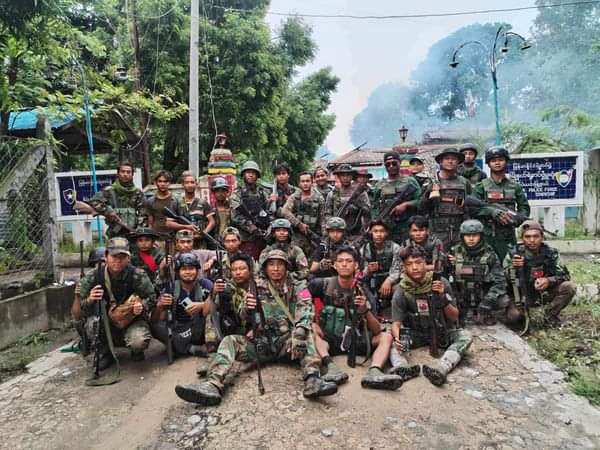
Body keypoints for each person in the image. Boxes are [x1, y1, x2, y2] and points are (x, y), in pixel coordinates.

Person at [174, 249, 338, 405]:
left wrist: (300, 330)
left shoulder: (298, 285)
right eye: (271, 264)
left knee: (307, 333)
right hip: (262, 342)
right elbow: (242, 316)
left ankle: (312, 379)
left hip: (289, 343)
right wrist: (246, 307)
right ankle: (212, 384)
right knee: (230, 341)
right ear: (265, 268)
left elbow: (306, 308)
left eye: (279, 264)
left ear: (286, 267)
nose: (275, 269)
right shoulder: (255, 286)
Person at [308, 246, 403, 390]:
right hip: (329, 339)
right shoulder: (321, 284)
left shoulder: (363, 291)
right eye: (340, 261)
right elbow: (302, 297)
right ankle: (330, 367)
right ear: (334, 265)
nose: (344, 264)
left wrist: (365, 310)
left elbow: (376, 329)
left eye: (348, 261)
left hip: (356, 340)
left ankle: (374, 371)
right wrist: (312, 317)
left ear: (356, 265)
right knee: (311, 329)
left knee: (386, 337)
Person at [389, 245, 472, 385]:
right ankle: (401, 367)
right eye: (409, 264)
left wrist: (442, 298)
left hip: (442, 332)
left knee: (465, 337)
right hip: (417, 333)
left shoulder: (441, 282)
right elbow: (396, 323)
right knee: (389, 342)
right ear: (403, 267)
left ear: (426, 264)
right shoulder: (401, 289)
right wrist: (397, 338)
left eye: (418, 263)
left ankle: (442, 368)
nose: (414, 267)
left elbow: (454, 316)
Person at [79, 237, 156, 368]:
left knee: (138, 341)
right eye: (114, 256)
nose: (118, 261)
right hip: (105, 320)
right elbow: (79, 305)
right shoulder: (95, 275)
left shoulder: (136, 275)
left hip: (132, 320)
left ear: (128, 258)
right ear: (106, 256)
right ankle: (105, 352)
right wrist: (90, 299)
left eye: (122, 257)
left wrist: (142, 306)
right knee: (92, 325)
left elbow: (152, 297)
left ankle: (135, 350)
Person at [504, 220, 575, 326]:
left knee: (569, 287)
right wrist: (513, 268)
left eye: (536, 236)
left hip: (543, 293)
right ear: (522, 239)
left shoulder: (551, 253)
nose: (532, 240)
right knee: (514, 318)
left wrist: (549, 280)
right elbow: (501, 279)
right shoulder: (514, 255)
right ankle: (523, 315)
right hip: (520, 296)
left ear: (542, 237)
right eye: (527, 237)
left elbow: (565, 275)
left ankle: (549, 316)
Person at [472, 146, 531, 261]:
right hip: (487, 235)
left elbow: (524, 207)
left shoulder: (515, 186)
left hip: (508, 235)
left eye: (501, 160)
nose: (497, 163)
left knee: (510, 267)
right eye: (493, 161)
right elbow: (473, 209)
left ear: (506, 162)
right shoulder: (481, 186)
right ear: (488, 164)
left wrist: (517, 219)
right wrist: (492, 212)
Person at [150, 253, 214, 357]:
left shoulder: (206, 284)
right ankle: (190, 348)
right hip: (178, 328)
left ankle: (178, 346)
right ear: (178, 272)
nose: (188, 272)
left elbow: (217, 306)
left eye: (191, 268)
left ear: (197, 271)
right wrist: (160, 306)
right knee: (155, 326)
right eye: (184, 269)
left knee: (213, 315)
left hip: (198, 328)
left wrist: (202, 305)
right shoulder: (171, 287)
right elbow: (157, 319)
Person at [448, 220, 508, 326]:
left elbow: (500, 282)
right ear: (462, 236)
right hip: (460, 296)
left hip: (482, 295)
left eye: (475, 235)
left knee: (503, 300)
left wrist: (487, 302)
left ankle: (483, 311)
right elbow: (445, 279)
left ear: (481, 236)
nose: (471, 239)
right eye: (467, 235)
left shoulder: (490, 254)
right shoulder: (454, 252)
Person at [420, 148, 471, 249]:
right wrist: (429, 192)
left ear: (458, 162)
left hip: (459, 229)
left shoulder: (464, 182)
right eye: (447, 158)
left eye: (454, 159)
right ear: (441, 162)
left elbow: (469, 205)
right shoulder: (430, 181)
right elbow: (421, 207)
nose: (450, 161)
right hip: (437, 230)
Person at [371, 152, 421, 244]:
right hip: (387, 228)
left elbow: (421, 201)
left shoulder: (410, 181)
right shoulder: (379, 185)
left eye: (394, 163)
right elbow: (374, 207)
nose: (391, 166)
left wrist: (406, 204)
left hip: (406, 227)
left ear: (400, 163)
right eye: (388, 164)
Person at [89, 161, 146, 238]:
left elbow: (143, 212)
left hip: (133, 232)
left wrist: (140, 230)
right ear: (118, 173)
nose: (125, 174)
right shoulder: (109, 190)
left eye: (128, 172)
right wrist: (107, 211)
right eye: (123, 171)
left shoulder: (137, 192)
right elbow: (94, 201)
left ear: (132, 174)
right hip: (115, 231)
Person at [230, 160, 273, 259]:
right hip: (245, 237)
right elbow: (235, 216)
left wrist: (267, 227)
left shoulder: (263, 192)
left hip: (263, 236)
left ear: (257, 176)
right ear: (243, 175)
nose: (251, 175)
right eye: (248, 172)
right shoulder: (237, 193)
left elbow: (269, 211)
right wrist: (250, 226)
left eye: (253, 173)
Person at [359, 220, 402, 314]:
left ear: (386, 233)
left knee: (400, 289)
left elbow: (397, 270)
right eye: (375, 231)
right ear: (370, 232)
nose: (379, 234)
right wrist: (368, 270)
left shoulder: (395, 247)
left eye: (382, 231)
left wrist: (388, 281)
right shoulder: (365, 249)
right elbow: (360, 275)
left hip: (390, 282)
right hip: (372, 283)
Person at [281, 171, 325, 259]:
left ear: (312, 182)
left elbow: (323, 218)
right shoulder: (294, 197)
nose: (305, 184)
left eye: (307, 181)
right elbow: (285, 211)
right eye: (303, 181)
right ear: (299, 183)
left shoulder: (319, 198)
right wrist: (299, 224)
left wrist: (324, 236)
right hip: (297, 236)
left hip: (314, 235)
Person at [168, 171, 216, 249]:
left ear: (196, 184)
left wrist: (204, 233)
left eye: (192, 182)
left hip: (199, 243)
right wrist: (186, 226)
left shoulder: (203, 202)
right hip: (182, 243)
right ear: (183, 185)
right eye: (187, 182)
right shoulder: (176, 202)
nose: (190, 185)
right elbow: (169, 223)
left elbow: (212, 221)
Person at [325, 164, 371, 242]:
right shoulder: (332, 194)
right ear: (339, 177)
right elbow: (327, 214)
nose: (345, 178)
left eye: (348, 175)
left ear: (352, 176)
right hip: (337, 233)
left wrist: (357, 207)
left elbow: (367, 211)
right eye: (343, 175)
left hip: (355, 233)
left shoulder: (360, 192)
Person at [146, 170, 178, 236]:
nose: (162, 184)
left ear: (169, 183)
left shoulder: (176, 199)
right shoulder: (150, 201)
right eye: (160, 181)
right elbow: (150, 220)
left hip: (173, 235)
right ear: (155, 183)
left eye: (165, 181)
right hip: (156, 236)